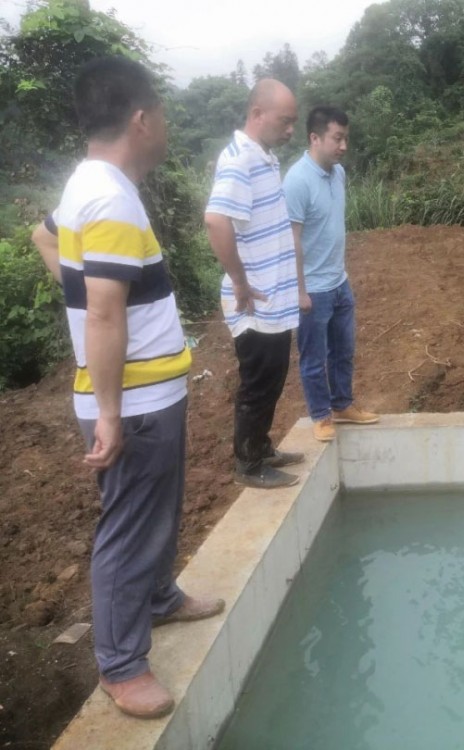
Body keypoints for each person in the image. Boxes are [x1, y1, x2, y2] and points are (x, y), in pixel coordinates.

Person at [39, 56, 223, 720]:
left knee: (157, 510)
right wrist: (109, 410)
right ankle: (120, 663)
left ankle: (158, 598)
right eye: (163, 115)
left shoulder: (87, 182)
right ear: (141, 119)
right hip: (133, 403)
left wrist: (76, 302)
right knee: (128, 526)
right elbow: (105, 312)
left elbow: (45, 237)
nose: (166, 125)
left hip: (145, 394)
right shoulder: (110, 194)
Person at [205, 79, 304, 488]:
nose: (290, 130)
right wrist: (239, 282)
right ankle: (248, 463)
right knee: (258, 383)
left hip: (272, 299)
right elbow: (215, 220)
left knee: (274, 376)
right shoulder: (238, 161)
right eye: (285, 121)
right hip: (255, 301)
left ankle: (261, 447)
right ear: (257, 114)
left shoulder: (261, 156)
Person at [283, 106, 379, 442]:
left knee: (343, 351)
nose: (343, 146)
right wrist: (299, 290)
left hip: (339, 281)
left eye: (345, 139)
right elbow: (291, 238)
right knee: (314, 357)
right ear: (315, 137)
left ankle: (342, 404)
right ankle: (321, 415)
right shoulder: (296, 180)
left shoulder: (338, 173)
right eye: (337, 139)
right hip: (312, 288)